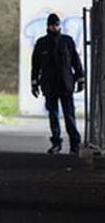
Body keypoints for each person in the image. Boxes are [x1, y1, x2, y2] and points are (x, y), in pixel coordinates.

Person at [31, 13, 85, 155]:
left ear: (59, 25)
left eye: (56, 24)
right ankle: (56, 143)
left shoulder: (67, 41)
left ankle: (75, 144)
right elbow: (35, 65)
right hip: (49, 85)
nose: (54, 27)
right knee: (53, 115)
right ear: (48, 26)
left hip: (65, 84)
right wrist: (34, 83)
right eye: (51, 25)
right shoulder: (41, 43)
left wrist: (80, 78)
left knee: (69, 116)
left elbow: (75, 61)